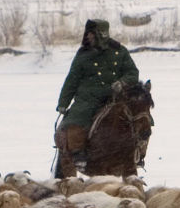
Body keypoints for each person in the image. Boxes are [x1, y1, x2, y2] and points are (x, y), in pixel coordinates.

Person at [54, 17, 141, 170]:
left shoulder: (119, 51)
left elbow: (133, 73)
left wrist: (122, 83)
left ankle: (137, 153)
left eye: (91, 33)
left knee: (141, 117)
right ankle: (77, 153)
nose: (87, 36)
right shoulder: (83, 55)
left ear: (100, 34)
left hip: (115, 97)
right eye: (87, 33)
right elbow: (71, 81)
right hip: (88, 99)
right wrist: (63, 103)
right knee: (75, 119)